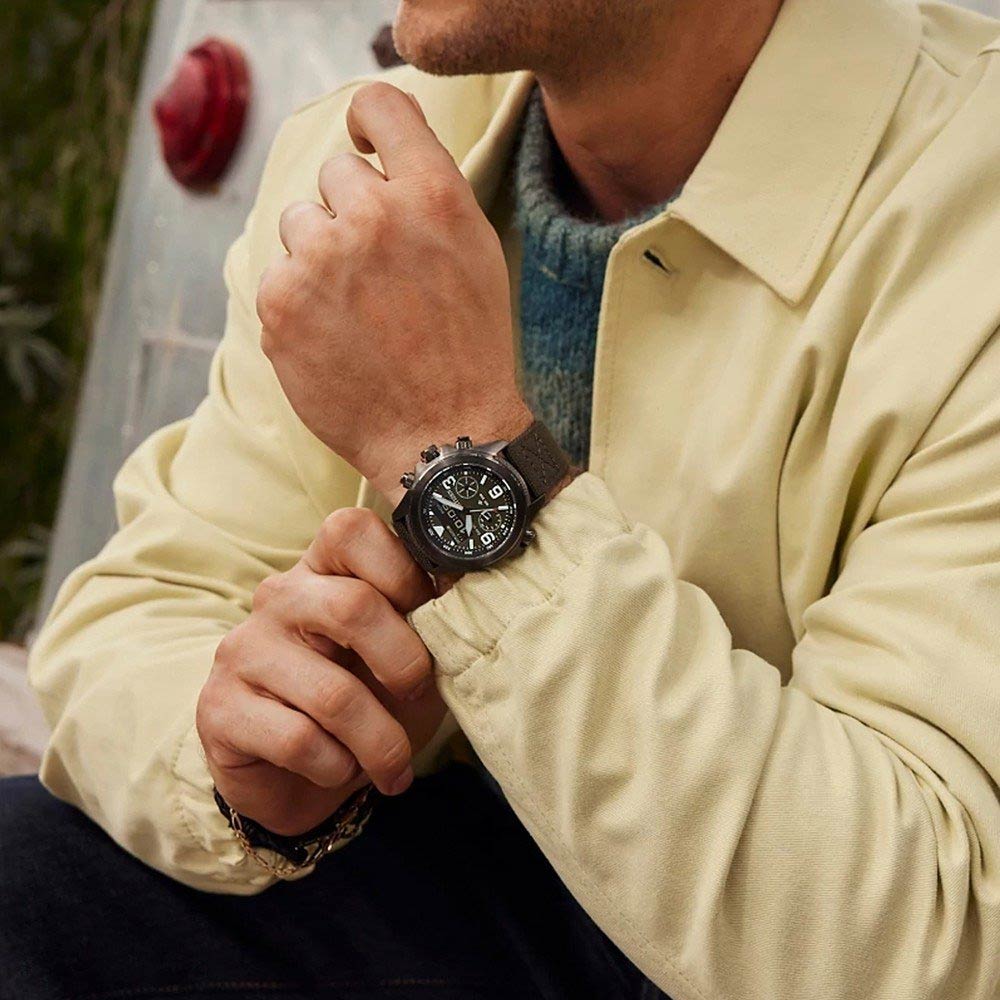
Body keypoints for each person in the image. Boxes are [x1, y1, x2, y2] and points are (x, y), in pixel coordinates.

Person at [3, 0, 1000, 996]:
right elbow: (142, 611)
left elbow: (929, 939)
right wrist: (243, 755)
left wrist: (454, 442)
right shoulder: (363, 161)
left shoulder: (974, 211)